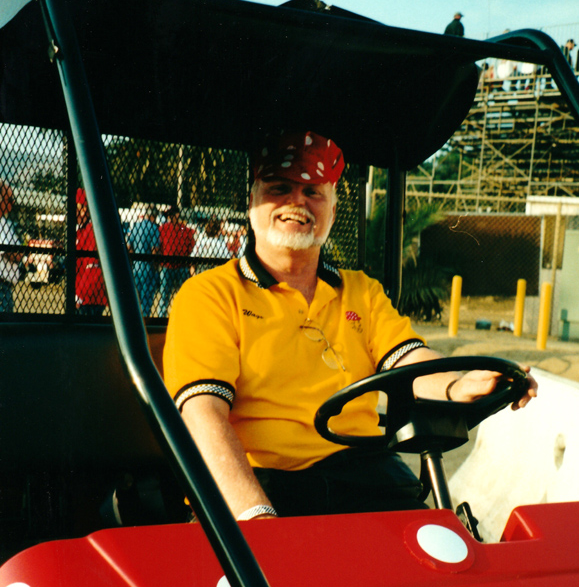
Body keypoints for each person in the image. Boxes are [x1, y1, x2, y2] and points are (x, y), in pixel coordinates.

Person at [163, 130, 537, 522]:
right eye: (279, 188)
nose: (297, 202)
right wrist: (256, 516)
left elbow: (407, 359)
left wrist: (459, 385)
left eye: (313, 192)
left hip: (364, 472)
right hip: (262, 481)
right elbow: (202, 414)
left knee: (438, 546)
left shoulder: (361, 291)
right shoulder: (209, 295)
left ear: (332, 210)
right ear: (253, 201)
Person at [158, 206, 196, 317]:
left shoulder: (163, 228)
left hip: (169, 265)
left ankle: (162, 316)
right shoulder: (185, 230)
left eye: (170, 215)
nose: (169, 217)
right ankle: (180, 315)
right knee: (180, 294)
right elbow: (191, 247)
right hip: (179, 266)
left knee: (165, 294)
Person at [75, 187, 107, 317]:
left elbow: (93, 267)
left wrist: (79, 296)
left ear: (84, 210)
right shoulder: (82, 230)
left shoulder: (91, 230)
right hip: (86, 296)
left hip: (88, 298)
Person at [127, 203, 160, 317]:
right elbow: (154, 249)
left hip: (136, 266)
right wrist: (155, 267)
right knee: (146, 298)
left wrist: (133, 261)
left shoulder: (136, 226)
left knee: (136, 297)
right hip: (148, 267)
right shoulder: (154, 228)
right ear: (154, 215)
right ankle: (145, 320)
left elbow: (129, 246)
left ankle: (134, 318)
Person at [0, 180, 21, 313]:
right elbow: (12, 253)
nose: (12, 203)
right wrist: (18, 254)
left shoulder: (5, 223)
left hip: (6, 287)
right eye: (9, 199)